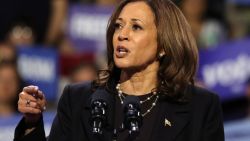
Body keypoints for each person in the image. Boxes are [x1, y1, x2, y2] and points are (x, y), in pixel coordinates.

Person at [14, 0, 224, 141]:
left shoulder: (201, 106)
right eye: (118, 26)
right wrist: (32, 124)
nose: (122, 35)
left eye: (136, 27)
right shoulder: (77, 99)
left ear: (163, 46)